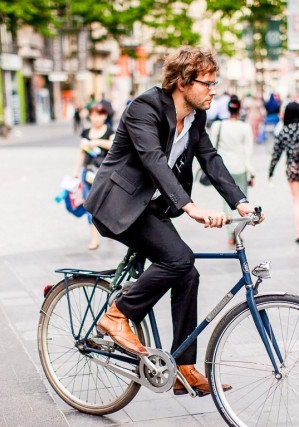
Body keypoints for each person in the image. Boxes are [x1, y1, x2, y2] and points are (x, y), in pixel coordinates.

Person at [83, 46, 263, 397]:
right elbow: (153, 160)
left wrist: (240, 202)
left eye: (215, 83)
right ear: (183, 82)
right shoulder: (144, 109)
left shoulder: (196, 118)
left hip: (150, 208)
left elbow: (210, 159)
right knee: (179, 258)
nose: (214, 90)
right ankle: (116, 315)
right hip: (118, 204)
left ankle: (183, 367)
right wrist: (190, 206)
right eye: (208, 83)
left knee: (188, 273)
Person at [268, 102, 299, 244]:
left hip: (292, 169)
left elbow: (276, 154)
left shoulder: (284, 131)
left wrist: (271, 171)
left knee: (297, 201)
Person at [211, 96, 256, 244]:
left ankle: (230, 232)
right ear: (239, 109)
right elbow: (248, 152)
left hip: (224, 170)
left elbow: (212, 148)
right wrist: (252, 173)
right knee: (241, 202)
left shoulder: (219, 126)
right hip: (240, 169)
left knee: (227, 202)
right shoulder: (245, 127)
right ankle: (238, 231)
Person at [72, 104, 114, 250]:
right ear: (90, 116)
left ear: (105, 116)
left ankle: (107, 229)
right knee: (89, 205)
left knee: (106, 204)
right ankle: (95, 238)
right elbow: (81, 153)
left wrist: (95, 142)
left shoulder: (109, 131)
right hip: (88, 173)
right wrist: (75, 172)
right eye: (94, 115)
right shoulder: (85, 133)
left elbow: (114, 145)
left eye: (100, 115)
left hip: (105, 174)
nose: (96, 118)